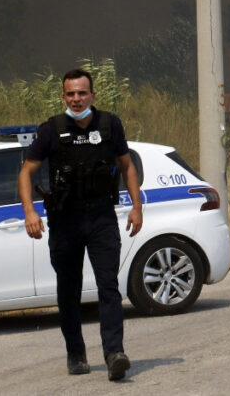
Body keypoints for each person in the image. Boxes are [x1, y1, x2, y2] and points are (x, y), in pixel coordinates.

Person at [18, 68, 143, 381]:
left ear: (92, 95)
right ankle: (76, 353)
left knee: (108, 286)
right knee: (68, 290)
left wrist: (136, 207)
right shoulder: (51, 129)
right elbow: (25, 172)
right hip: (65, 220)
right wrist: (29, 212)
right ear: (64, 96)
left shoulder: (110, 124)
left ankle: (115, 353)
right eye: (70, 94)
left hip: (101, 217)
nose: (76, 99)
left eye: (82, 93)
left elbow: (127, 167)